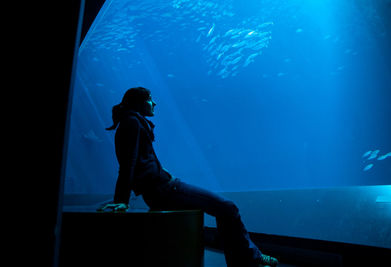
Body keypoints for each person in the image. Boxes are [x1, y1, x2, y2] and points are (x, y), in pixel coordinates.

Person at [101, 87, 278, 267]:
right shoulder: (132, 123)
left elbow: (138, 162)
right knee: (228, 207)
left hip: (161, 189)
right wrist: (122, 199)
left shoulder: (133, 122)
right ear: (138, 102)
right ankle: (250, 260)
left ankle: (246, 260)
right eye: (150, 98)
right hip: (166, 189)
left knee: (226, 208)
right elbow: (128, 164)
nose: (154, 103)